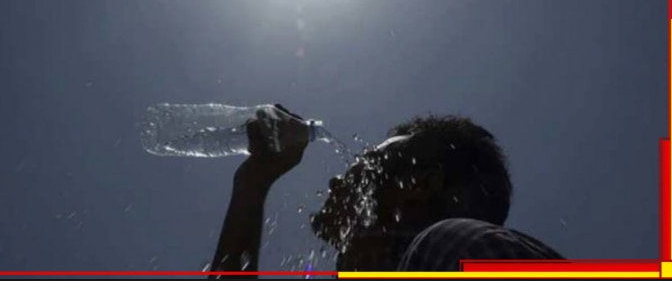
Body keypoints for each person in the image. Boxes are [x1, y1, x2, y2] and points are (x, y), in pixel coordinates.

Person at [208, 104, 564, 278]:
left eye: (370, 160)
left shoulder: (451, 246)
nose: (337, 181)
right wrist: (253, 183)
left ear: (420, 184)